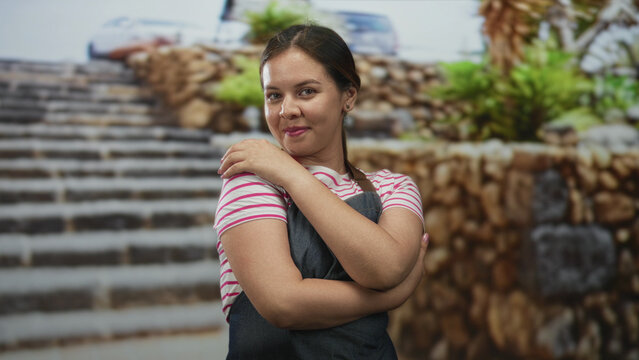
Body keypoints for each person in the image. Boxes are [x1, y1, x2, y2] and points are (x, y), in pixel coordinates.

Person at [213, 24, 427, 359]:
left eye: (306, 91)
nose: (287, 110)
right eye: (274, 95)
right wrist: (387, 298)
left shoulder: (394, 187)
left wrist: (292, 175)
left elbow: (384, 268)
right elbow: (282, 304)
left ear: (348, 96)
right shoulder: (251, 182)